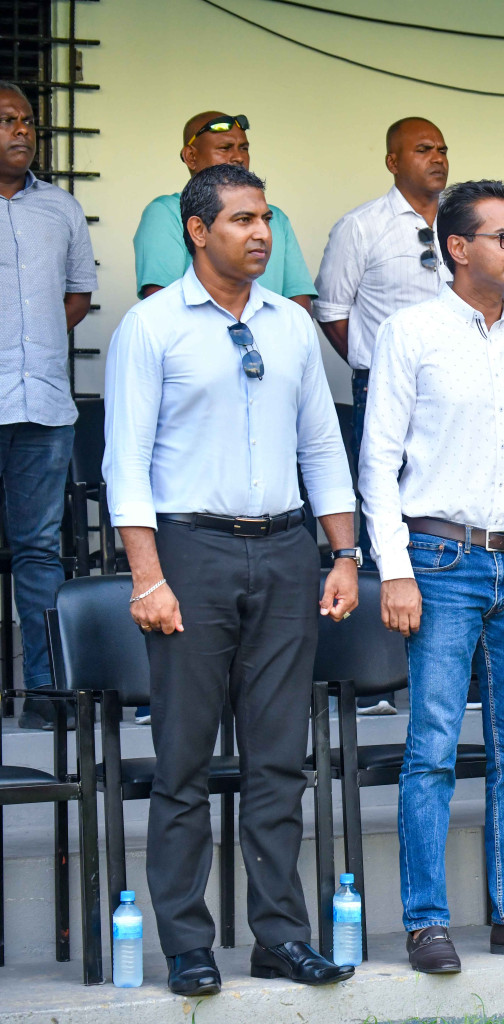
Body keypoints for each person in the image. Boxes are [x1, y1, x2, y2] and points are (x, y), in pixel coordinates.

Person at [103, 163, 358, 995]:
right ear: (196, 229)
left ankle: (280, 936)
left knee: (279, 759)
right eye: (243, 219)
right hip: (190, 553)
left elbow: (321, 445)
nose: (261, 234)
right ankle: (186, 943)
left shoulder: (289, 326)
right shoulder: (151, 326)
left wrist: (345, 553)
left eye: (267, 220)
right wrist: (148, 575)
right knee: (182, 761)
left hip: (287, 553)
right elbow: (125, 463)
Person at [359, 179, 504, 968]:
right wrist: (393, 570)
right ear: (458, 248)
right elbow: (379, 462)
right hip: (439, 561)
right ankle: (428, 921)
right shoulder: (411, 331)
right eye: (502, 236)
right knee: (431, 746)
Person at [313, 116, 451, 578]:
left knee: (449, 508)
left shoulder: (465, 224)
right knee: (385, 498)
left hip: (460, 388)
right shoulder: (361, 226)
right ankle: (385, 599)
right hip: (384, 389)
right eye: (424, 149)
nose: (438, 158)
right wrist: (373, 364)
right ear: (393, 162)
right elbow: (332, 310)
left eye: (442, 149)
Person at [0, 81, 96, 731]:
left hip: (43, 407)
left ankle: (43, 695)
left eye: (28, 120)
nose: (23, 131)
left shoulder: (60, 208)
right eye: (7, 120)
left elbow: (79, 294)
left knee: (38, 552)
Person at [133, 111, 315, 309]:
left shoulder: (276, 217)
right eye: (225, 148)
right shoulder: (166, 212)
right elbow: (161, 303)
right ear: (191, 156)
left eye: (243, 148)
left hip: (272, 338)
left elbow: (299, 300)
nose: (238, 157)